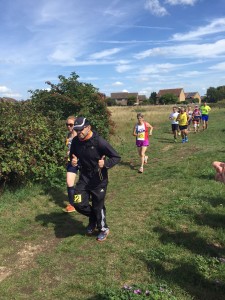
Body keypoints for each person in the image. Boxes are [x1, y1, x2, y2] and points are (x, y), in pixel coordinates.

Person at [70, 117, 121, 242]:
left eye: (81, 130)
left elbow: (116, 157)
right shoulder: (76, 141)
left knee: (98, 206)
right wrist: (73, 161)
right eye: (76, 130)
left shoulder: (99, 142)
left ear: (88, 127)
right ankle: (93, 218)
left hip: (99, 179)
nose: (78, 133)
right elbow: (72, 156)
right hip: (84, 178)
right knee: (77, 203)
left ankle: (103, 228)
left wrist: (106, 164)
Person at [64, 116, 79, 213]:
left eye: (71, 124)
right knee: (69, 182)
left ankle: (78, 202)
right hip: (71, 162)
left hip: (82, 161)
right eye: (67, 125)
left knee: (81, 184)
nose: (69, 127)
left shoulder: (80, 135)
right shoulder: (68, 135)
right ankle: (72, 204)